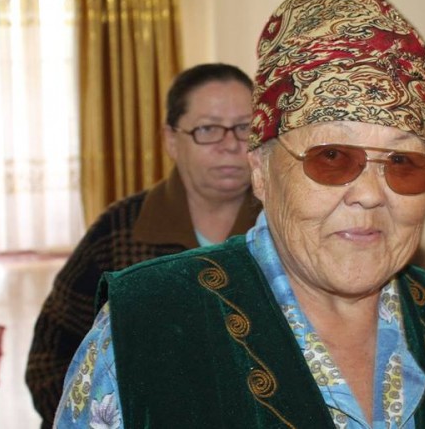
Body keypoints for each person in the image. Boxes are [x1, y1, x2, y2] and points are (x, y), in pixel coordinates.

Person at [54, 0, 425, 428]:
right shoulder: (147, 324)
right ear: (261, 172)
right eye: (332, 157)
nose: (370, 194)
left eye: (403, 163)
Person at [26, 63, 262, 428]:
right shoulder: (121, 230)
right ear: (171, 140)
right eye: (208, 129)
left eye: (245, 128)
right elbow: (50, 356)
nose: (231, 145)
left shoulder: (281, 230)